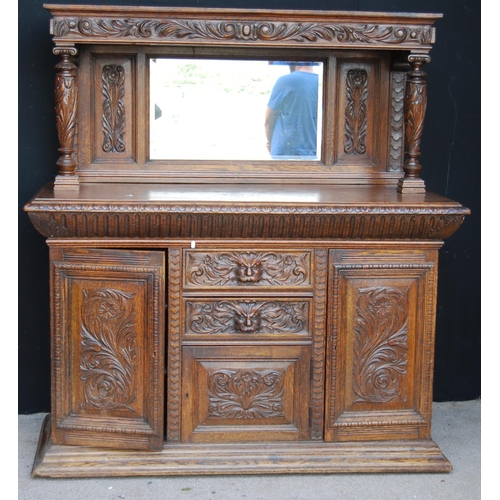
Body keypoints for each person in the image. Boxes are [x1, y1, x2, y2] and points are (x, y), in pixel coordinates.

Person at [265, 63, 319, 158]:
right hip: (311, 153)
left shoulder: (285, 81)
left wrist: (270, 144)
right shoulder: (323, 81)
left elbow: (268, 121)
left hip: (284, 153)